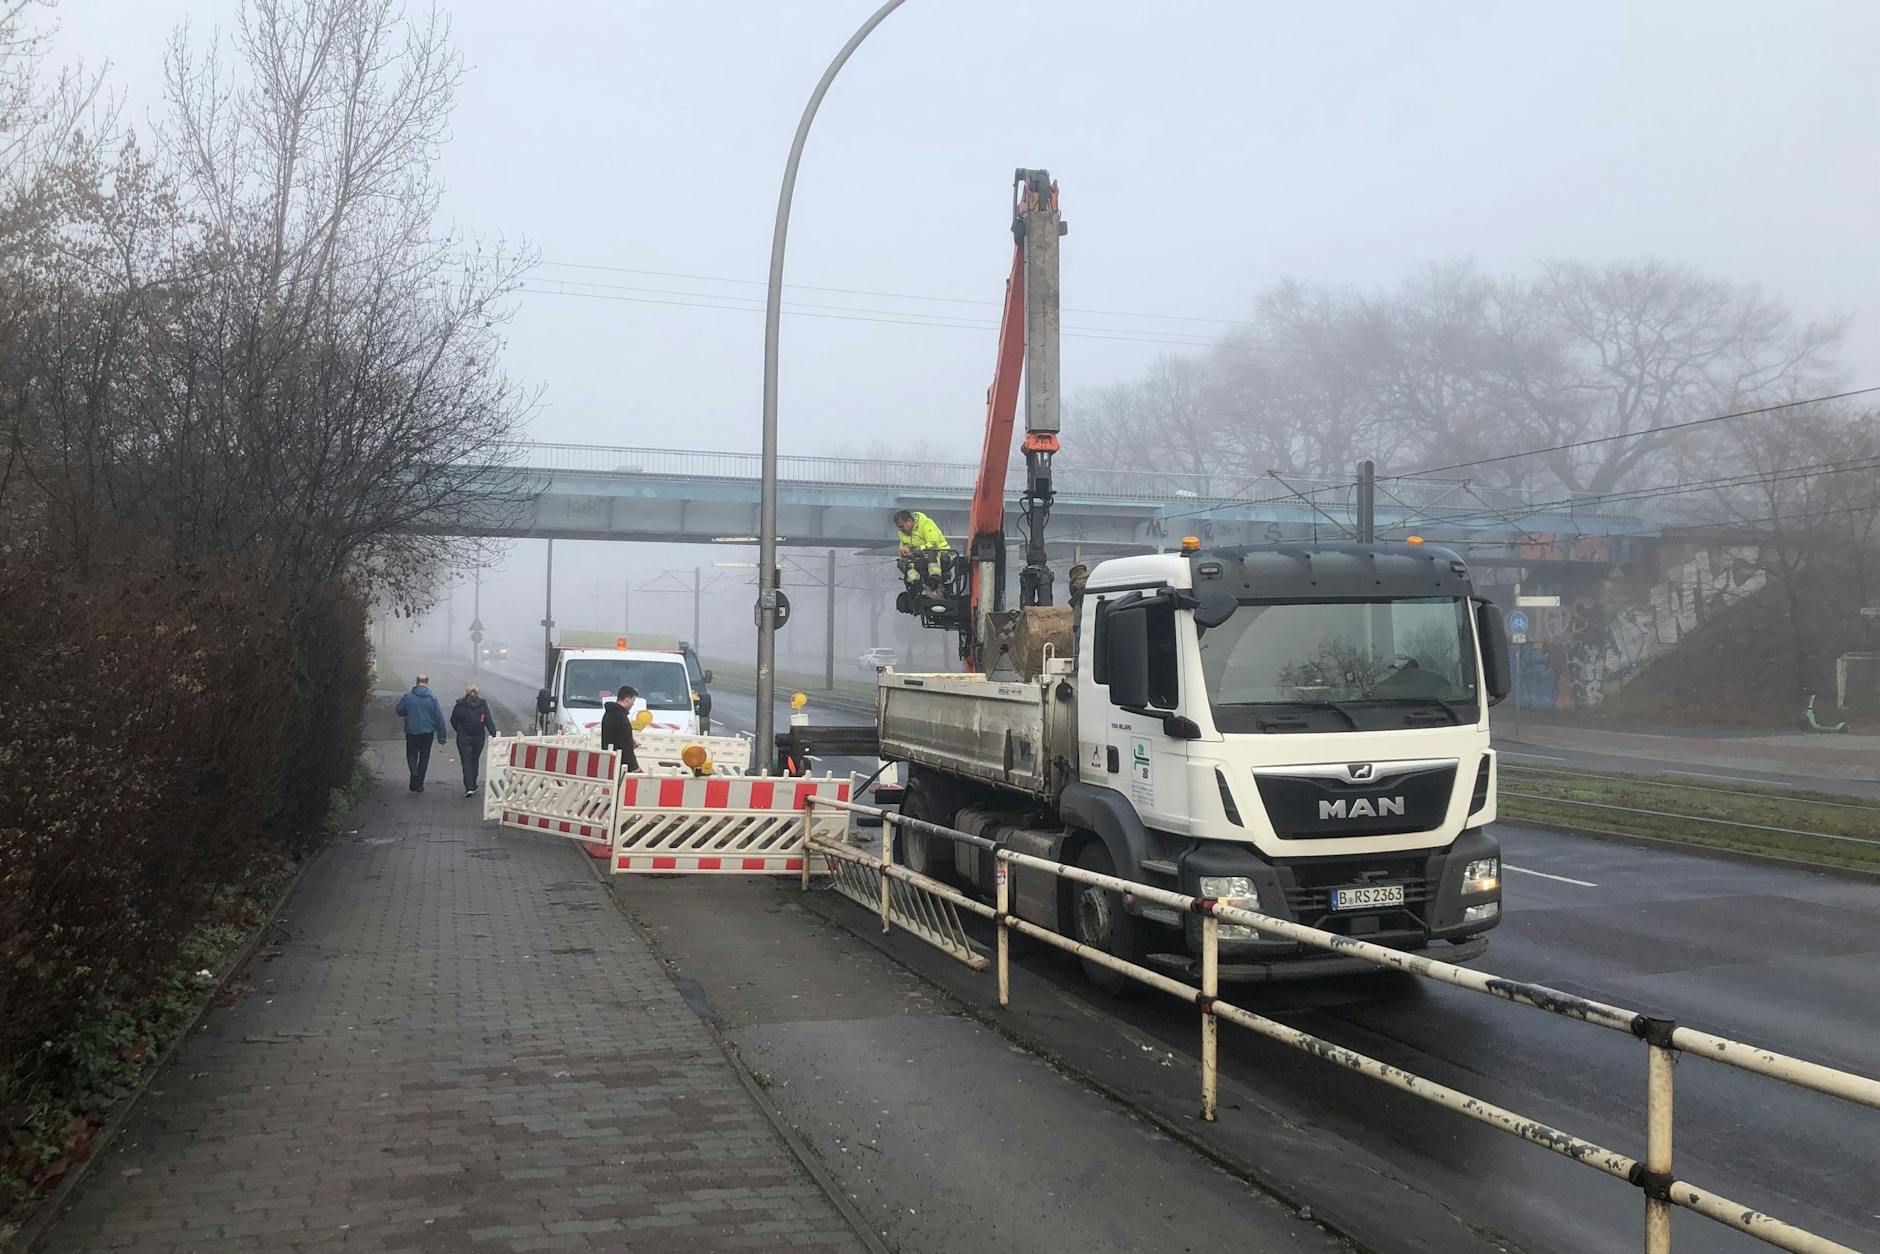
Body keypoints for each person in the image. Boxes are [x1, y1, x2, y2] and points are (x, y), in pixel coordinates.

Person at [393, 674, 447, 792]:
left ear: (416, 682)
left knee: (411, 754)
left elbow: (399, 710)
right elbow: (438, 717)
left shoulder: (408, 697)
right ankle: (420, 783)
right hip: (428, 732)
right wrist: (441, 735)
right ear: (427, 682)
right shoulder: (432, 698)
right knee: (424, 756)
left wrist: (406, 712)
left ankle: (414, 773)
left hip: (412, 731)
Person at [450, 683, 500, 796]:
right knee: (475, 759)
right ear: (477, 691)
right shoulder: (482, 704)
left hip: (463, 737)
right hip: (479, 737)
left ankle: (469, 787)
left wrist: (459, 730)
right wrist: (494, 735)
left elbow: (453, 720)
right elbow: (489, 721)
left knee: (466, 761)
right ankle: (473, 783)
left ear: (466, 692)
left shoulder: (460, 704)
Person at [893, 509, 950, 590]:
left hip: (940, 554)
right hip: (919, 557)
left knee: (929, 552)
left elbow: (933, 543)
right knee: (902, 563)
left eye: (901, 526)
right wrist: (904, 551)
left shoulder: (926, 523)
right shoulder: (902, 533)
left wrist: (918, 550)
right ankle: (916, 583)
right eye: (898, 527)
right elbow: (903, 547)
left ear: (909, 521)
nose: (900, 529)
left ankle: (935, 578)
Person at [599, 685, 642, 773]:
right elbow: (626, 745)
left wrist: (631, 741)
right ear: (627, 699)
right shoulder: (621, 718)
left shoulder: (608, 714)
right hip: (621, 766)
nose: (633, 704)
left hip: (609, 761)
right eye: (633, 700)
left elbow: (614, 736)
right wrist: (635, 768)